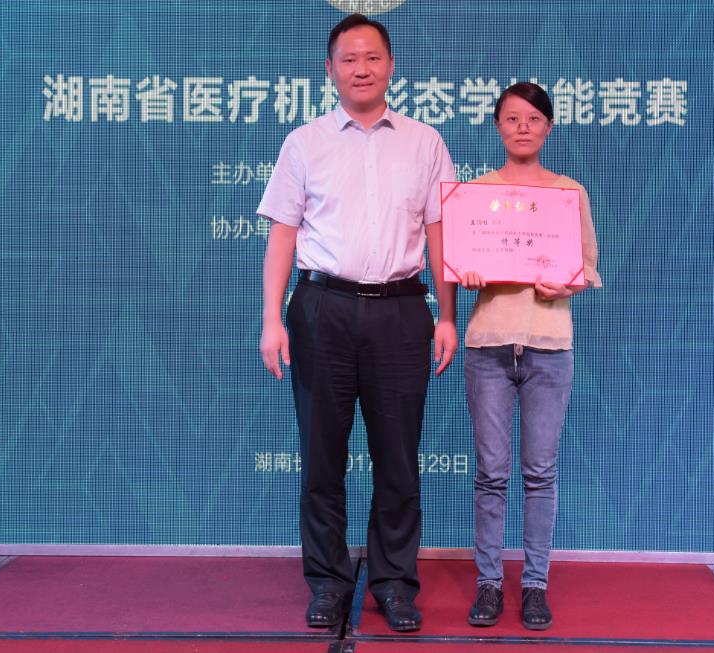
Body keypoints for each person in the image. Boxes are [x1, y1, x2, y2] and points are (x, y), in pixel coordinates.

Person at [257, 13, 457, 633]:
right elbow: (282, 236)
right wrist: (271, 320)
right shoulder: (304, 142)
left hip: (402, 311)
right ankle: (328, 582)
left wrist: (448, 316)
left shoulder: (425, 142)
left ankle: (394, 584)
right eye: (348, 59)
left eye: (372, 57)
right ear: (330, 70)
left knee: (398, 458)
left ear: (391, 66)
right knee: (322, 455)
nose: (361, 69)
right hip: (323, 309)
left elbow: (440, 235)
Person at [459, 82, 602, 631]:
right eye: (512, 118)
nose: (523, 127)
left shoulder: (569, 193)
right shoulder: (476, 194)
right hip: (489, 345)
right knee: (491, 473)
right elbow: (460, 263)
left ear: (548, 127)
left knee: (540, 474)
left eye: (533, 119)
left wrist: (568, 283)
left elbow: (587, 267)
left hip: (549, 347)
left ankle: (536, 585)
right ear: (497, 126)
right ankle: (489, 583)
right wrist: (467, 272)